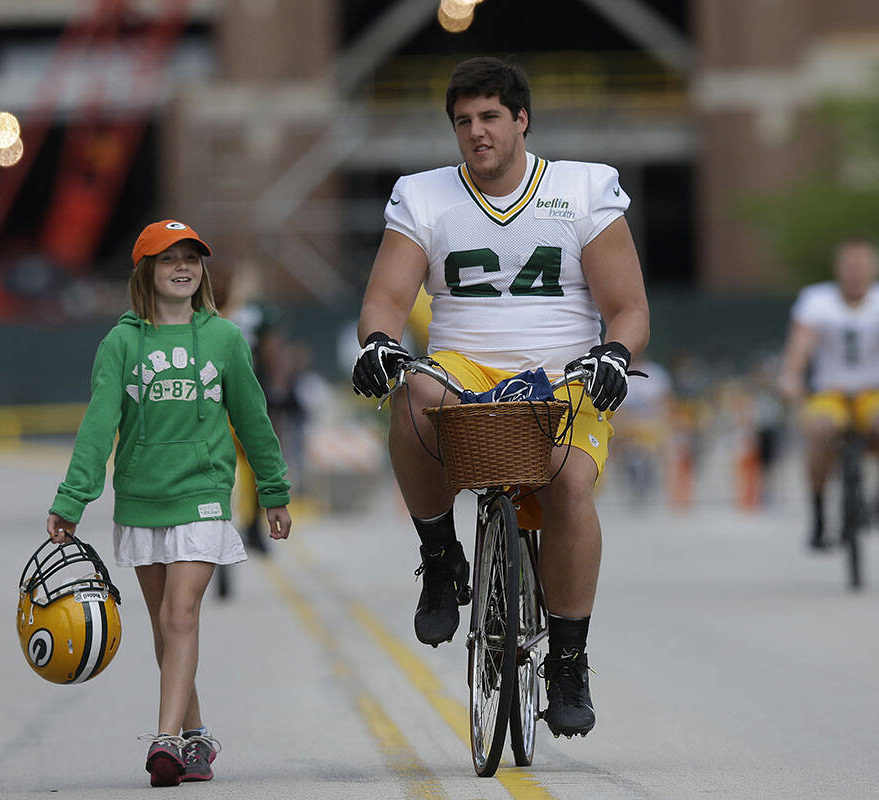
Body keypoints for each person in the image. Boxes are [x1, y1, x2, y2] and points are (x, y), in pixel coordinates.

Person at [351, 57, 649, 739]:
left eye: (489, 117)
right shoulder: (422, 196)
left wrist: (617, 355)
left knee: (570, 488)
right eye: (463, 121)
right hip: (466, 365)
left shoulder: (582, 188)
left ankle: (568, 663)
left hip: (564, 370)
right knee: (414, 392)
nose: (476, 132)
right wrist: (376, 341)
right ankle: (440, 557)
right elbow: (389, 297)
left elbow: (628, 306)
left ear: (521, 120)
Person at [45, 220, 292, 786]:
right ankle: (197, 735)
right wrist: (72, 498)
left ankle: (166, 741)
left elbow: (253, 420)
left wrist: (273, 490)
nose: (182, 267)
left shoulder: (225, 339)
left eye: (192, 258)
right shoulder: (121, 343)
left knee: (181, 614)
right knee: (164, 625)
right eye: (167, 259)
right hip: (141, 500)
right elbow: (97, 427)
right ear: (145, 272)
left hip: (203, 496)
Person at [778, 236, 879, 549]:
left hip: (876, 390)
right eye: (849, 265)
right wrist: (792, 376)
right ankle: (818, 513)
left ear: (872, 269)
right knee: (819, 431)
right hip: (830, 392)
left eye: (861, 266)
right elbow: (801, 344)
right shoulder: (816, 300)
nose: (855, 273)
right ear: (838, 269)